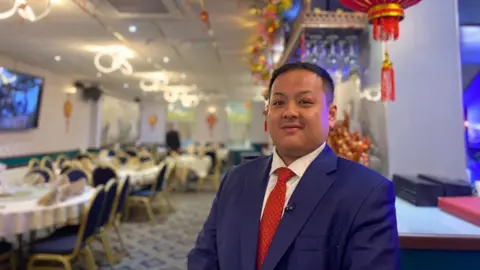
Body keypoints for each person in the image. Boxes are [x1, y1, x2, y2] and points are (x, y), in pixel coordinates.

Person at [187, 62, 399, 270]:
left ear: (331, 115)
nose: (289, 112)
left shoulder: (367, 192)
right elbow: (204, 256)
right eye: (278, 103)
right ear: (267, 113)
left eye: (304, 102)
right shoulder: (237, 179)